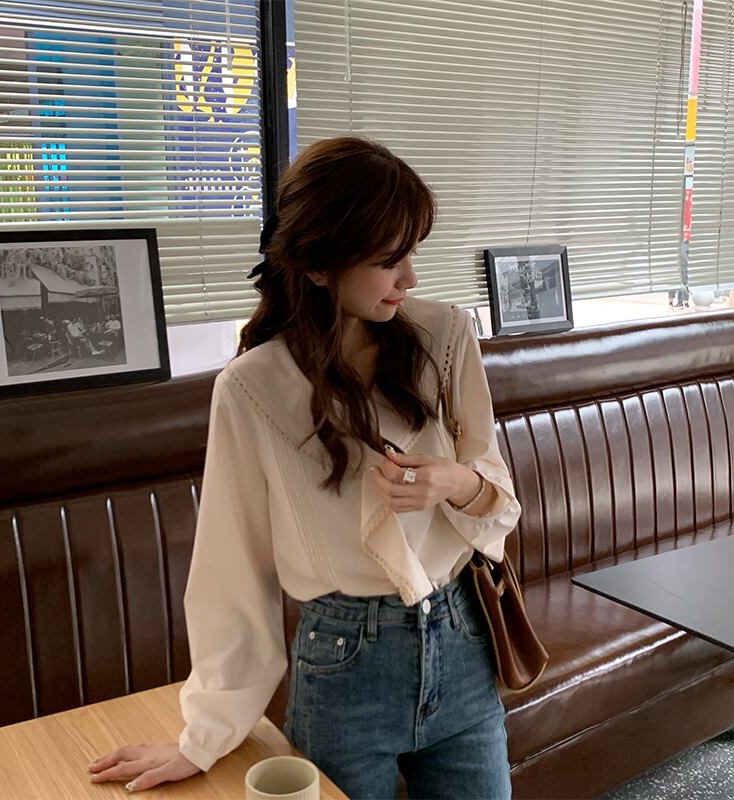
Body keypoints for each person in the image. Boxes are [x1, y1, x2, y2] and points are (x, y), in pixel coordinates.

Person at [88, 137, 522, 799]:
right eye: (389, 260)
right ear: (319, 266)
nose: (410, 278)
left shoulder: (446, 338)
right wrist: (202, 737)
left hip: (463, 637)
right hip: (345, 666)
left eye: (412, 253)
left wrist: (454, 483)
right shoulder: (254, 387)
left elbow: (496, 493)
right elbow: (231, 567)